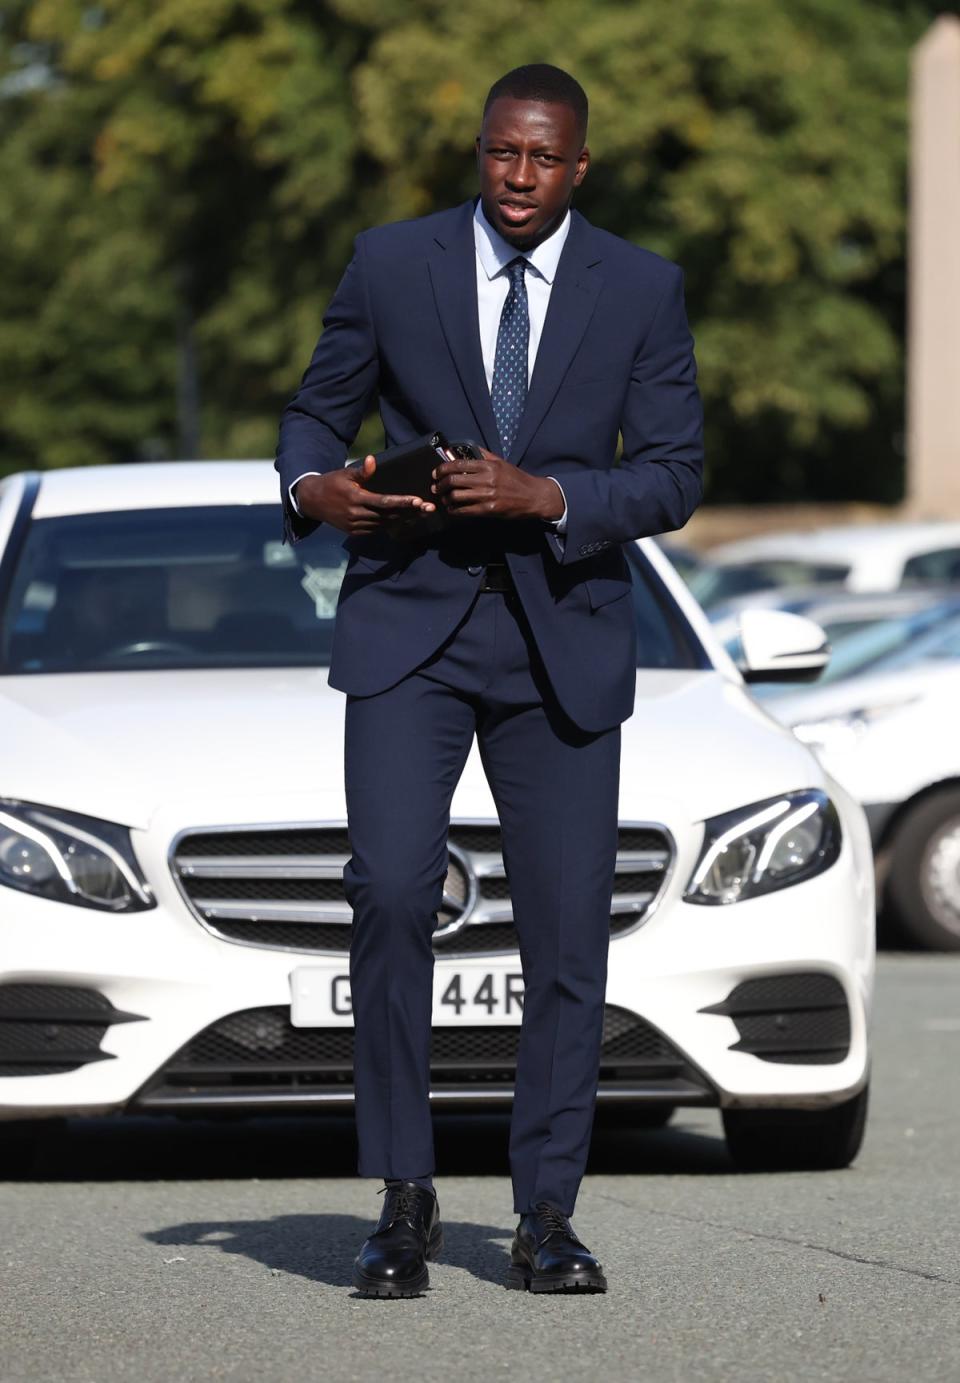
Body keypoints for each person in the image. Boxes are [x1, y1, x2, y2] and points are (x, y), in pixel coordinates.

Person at [275, 63, 703, 1297]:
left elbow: (674, 474)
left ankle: (546, 1218)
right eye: (499, 154)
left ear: (581, 166)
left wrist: (551, 495)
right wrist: (318, 489)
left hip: (563, 635)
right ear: (481, 150)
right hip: (410, 628)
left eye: (542, 159)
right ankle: (403, 1203)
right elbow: (314, 415)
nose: (517, 178)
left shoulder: (643, 288)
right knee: (396, 894)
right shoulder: (390, 260)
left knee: (570, 938)